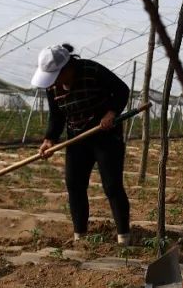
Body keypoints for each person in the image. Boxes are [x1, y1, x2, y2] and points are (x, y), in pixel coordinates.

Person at [31, 43, 133, 246]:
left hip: (105, 135)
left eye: (57, 76)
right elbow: (57, 115)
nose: (55, 82)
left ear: (68, 67)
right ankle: (80, 236)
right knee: (74, 184)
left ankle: (124, 237)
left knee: (112, 185)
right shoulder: (53, 87)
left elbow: (122, 90)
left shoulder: (92, 70)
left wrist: (111, 113)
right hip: (77, 137)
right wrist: (49, 139)